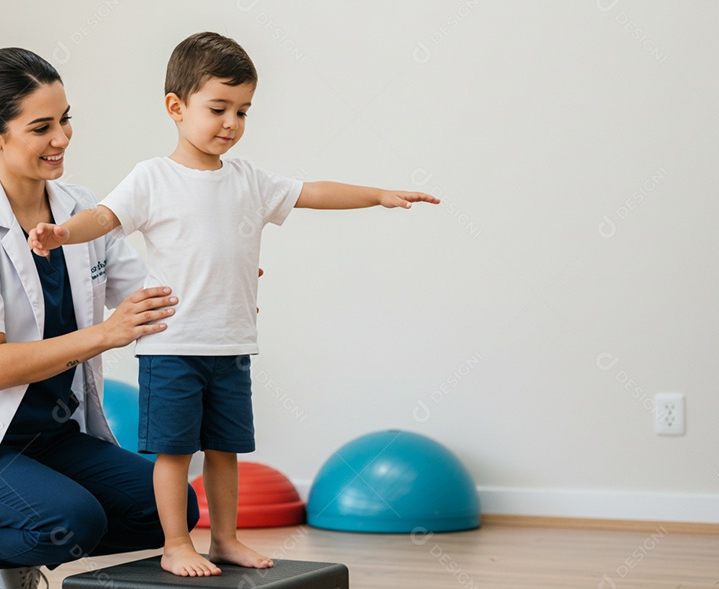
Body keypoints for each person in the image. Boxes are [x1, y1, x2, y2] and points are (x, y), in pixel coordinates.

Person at [29, 32, 440, 578]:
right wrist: (63, 233)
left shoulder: (249, 180)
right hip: (172, 348)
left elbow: (312, 191)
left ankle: (224, 539)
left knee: (226, 450)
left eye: (243, 111)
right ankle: (177, 544)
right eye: (218, 108)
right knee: (175, 453)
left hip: (231, 347)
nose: (231, 123)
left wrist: (379, 195)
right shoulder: (153, 177)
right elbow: (103, 217)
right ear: (176, 107)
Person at [0, 47, 199, 589]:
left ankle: (20, 531)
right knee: (71, 521)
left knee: (172, 507)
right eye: (41, 127)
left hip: (53, 434)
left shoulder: (79, 209)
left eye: (65, 119)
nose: (61, 138)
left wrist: (217, 286)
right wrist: (105, 334)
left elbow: (149, 296)